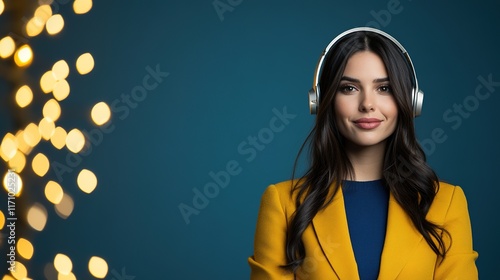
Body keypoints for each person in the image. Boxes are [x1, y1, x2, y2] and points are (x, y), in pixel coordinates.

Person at [248, 27, 478, 280]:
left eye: (384, 88)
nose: (367, 104)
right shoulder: (283, 204)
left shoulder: (446, 203)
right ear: (322, 100)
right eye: (349, 88)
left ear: (411, 102)